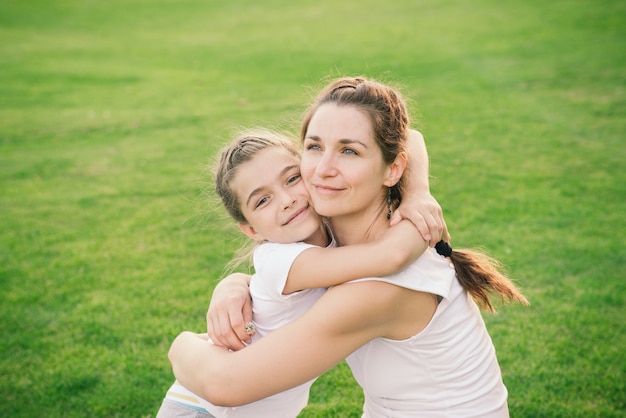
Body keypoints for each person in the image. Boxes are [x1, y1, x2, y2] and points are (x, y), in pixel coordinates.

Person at [168, 77, 529, 417]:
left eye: (349, 152)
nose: (323, 169)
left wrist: (182, 345)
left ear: (392, 168)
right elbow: (412, 137)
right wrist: (236, 285)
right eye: (314, 147)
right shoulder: (335, 232)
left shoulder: (380, 286)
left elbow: (224, 383)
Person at [156, 129, 432, 418]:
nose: (286, 199)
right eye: (262, 201)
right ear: (251, 230)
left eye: (292, 178)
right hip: (204, 409)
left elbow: (410, 136)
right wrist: (420, 211)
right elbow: (389, 256)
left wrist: (418, 191)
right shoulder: (279, 259)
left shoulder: (329, 230)